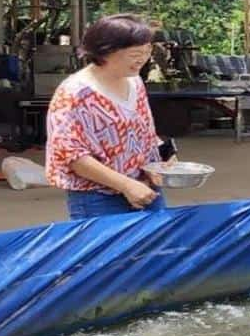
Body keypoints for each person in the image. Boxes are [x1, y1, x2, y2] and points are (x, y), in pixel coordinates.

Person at [46, 13, 170, 219]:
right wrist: (126, 185)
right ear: (106, 52)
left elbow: (144, 132)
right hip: (98, 198)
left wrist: (165, 154)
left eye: (147, 51)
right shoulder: (75, 94)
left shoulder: (134, 81)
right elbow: (74, 157)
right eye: (134, 54)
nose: (142, 59)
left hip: (146, 189)